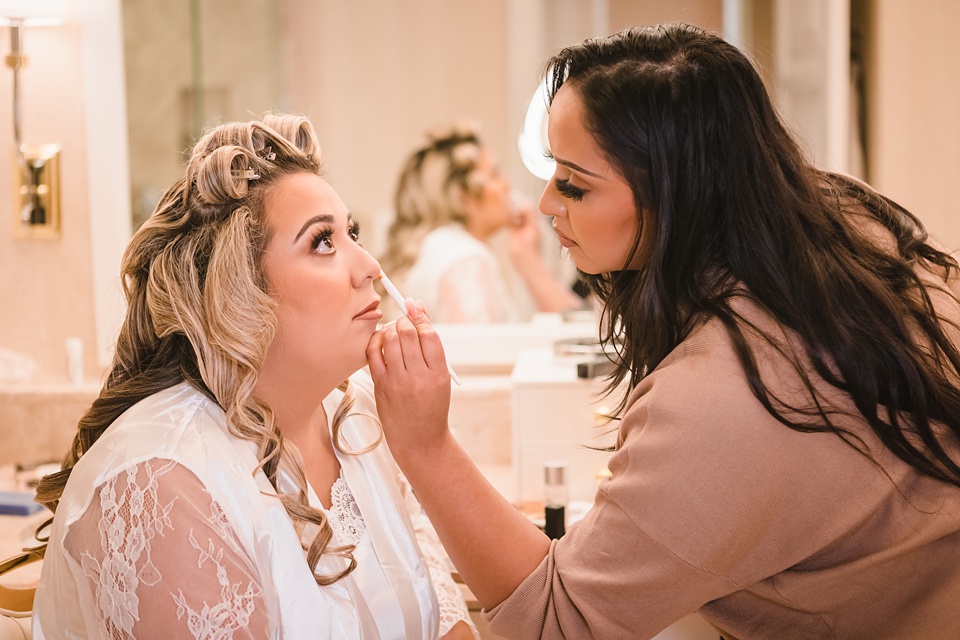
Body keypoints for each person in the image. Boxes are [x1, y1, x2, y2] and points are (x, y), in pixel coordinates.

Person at [366, 24, 960, 640]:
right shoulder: (848, 220)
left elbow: (553, 624)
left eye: (573, 182)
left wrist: (425, 446)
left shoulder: (724, 397)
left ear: (673, 196)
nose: (545, 203)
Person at [31, 114, 477, 639]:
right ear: (238, 293)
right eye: (323, 242)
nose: (372, 266)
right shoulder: (162, 481)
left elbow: (441, 611)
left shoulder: (360, 415)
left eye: (350, 232)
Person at [379, 122, 582, 323]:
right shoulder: (465, 259)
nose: (507, 184)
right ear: (465, 196)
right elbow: (480, 354)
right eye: (495, 173)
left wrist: (526, 254)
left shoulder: (436, 249)